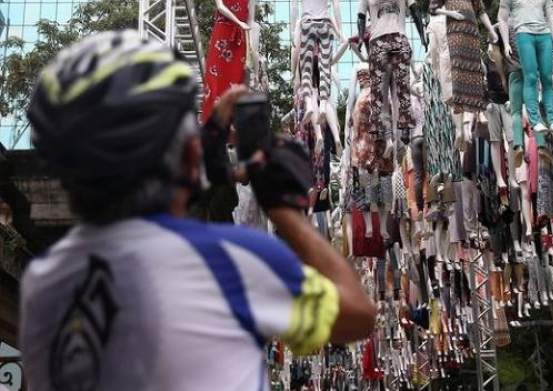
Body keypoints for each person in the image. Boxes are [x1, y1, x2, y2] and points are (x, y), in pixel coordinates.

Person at [20, 31, 376, 390]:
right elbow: (358, 316)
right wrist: (283, 210)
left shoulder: (44, 282)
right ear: (191, 157)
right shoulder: (232, 260)